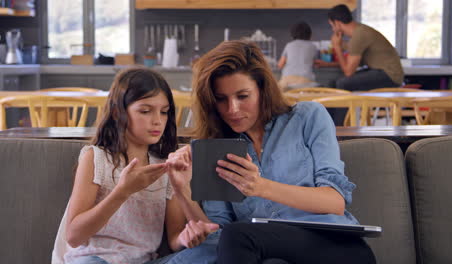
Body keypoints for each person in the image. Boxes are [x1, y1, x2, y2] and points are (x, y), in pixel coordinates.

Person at [156, 41, 376, 264]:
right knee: (230, 242)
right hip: (262, 251)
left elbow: (335, 202)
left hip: (334, 245)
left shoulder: (308, 117)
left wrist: (260, 187)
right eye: (221, 99)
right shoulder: (216, 147)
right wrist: (182, 190)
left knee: (236, 236)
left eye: (243, 96)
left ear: (263, 89)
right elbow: (217, 235)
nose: (232, 109)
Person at [52, 67, 219, 264]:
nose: (157, 120)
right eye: (145, 111)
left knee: (210, 252)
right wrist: (122, 191)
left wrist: (185, 237)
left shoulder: (166, 167)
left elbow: (174, 240)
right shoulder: (96, 158)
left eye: (164, 112)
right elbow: (74, 236)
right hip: (96, 259)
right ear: (117, 113)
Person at [328, 4, 404, 91]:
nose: (333, 29)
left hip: (390, 76)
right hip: (384, 73)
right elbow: (351, 63)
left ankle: (347, 105)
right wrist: (327, 64)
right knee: (334, 83)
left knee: (343, 83)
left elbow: (348, 72)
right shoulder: (360, 31)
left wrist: (337, 47)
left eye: (332, 25)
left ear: (337, 23)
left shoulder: (359, 36)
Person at [277, 21, 320, 91]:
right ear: (310, 34)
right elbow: (316, 63)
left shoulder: (289, 45)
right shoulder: (313, 46)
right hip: (306, 80)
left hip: (287, 80)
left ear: (292, 34)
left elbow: (280, 65)